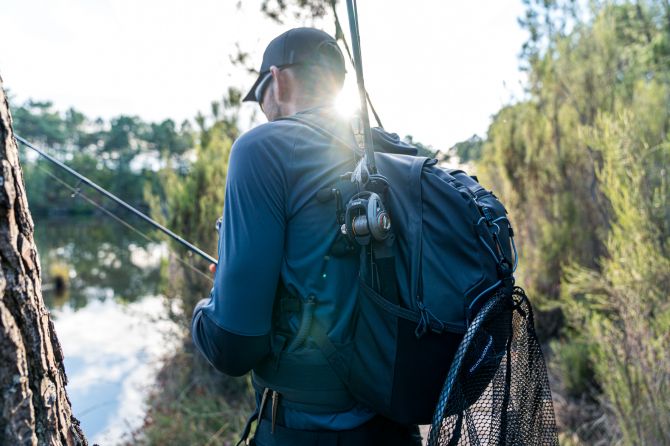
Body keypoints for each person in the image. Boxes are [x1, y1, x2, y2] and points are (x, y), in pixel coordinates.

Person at [191, 27, 422, 445]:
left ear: (277, 80)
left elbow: (234, 347)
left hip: (304, 432)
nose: (263, 110)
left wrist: (203, 310)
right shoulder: (391, 150)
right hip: (398, 422)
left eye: (260, 95)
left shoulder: (261, 149)